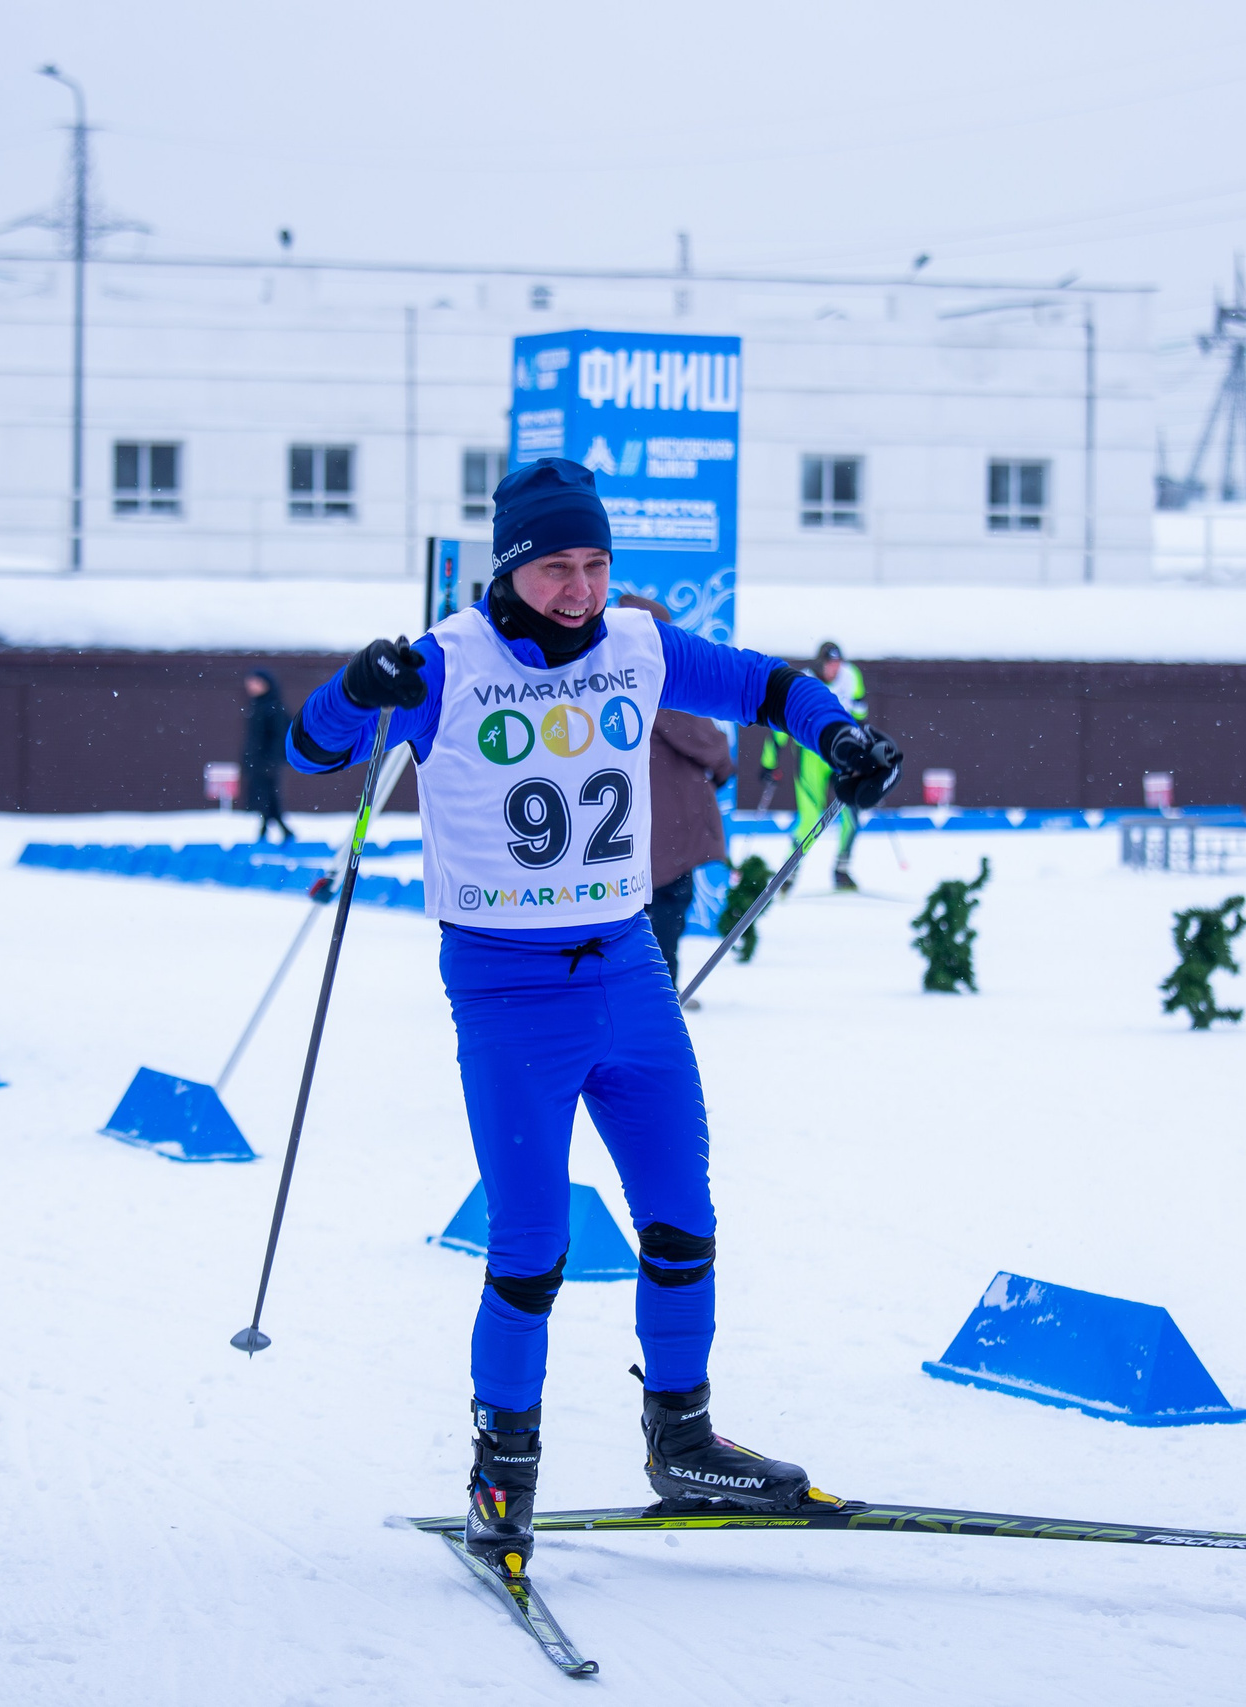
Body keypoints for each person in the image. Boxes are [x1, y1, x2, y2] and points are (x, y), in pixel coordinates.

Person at [287, 458, 900, 1581]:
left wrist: (838, 735)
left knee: (682, 1221)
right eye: (556, 568)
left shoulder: (639, 643)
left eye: (596, 564)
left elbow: (767, 687)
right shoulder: (445, 663)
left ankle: (684, 1441)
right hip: (507, 991)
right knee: (531, 1248)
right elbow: (313, 748)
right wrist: (352, 688)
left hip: (629, 974)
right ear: (510, 568)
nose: (579, 589)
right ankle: (502, 1471)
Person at [616, 595, 733, 1005]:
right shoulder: (660, 680)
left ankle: (633, 991)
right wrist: (723, 766)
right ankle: (661, 993)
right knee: (668, 903)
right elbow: (706, 742)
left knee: (631, 911)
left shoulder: (607, 675)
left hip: (626, 819)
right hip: (665, 822)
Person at [760, 641, 870, 890]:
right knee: (810, 818)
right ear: (820, 664)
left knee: (852, 814)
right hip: (811, 756)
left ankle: (842, 870)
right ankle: (788, 875)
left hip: (842, 754)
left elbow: (861, 716)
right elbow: (781, 724)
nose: (835, 669)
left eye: (838, 664)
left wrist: (863, 750)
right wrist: (769, 762)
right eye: (830, 664)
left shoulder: (851, 676)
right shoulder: (803, 681)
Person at [239, 670, 296, 843]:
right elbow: (252, 738)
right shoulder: (256, 705)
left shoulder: (274, 707)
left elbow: (281, 736)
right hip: (258, 761)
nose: (251, 687)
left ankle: (271, 832)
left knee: (268, 796)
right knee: (265, 797)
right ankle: (278, 831)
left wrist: (272, 760)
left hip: (267, 762)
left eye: (256, 683)